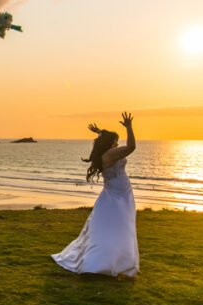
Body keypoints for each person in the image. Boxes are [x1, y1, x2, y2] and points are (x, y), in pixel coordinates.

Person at [52, 112, 139, 277]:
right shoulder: (111, 154)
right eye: (115, 140)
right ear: (110, 143)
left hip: (117, 192)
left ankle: (117, 260)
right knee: (120, 227)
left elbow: (108, 142)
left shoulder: (104, 153)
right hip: (118, 195)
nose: (117, 142)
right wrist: (129, 127)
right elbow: (131, 147)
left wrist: (100, 132)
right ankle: (103, 262)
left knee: (114, 226)